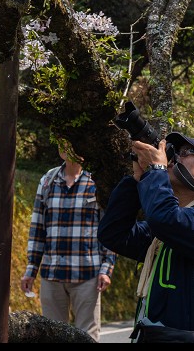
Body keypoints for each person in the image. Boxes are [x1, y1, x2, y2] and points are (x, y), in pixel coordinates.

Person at [98, 132, 194, 342]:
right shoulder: (177, 222)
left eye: (187, 153)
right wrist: (136, 181)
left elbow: (165, 219)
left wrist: (156, 170)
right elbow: (114, 234)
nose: (175, 157)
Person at [19, 145, 117, 341]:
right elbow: (38, 227)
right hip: (52, 273)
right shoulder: (48, 180)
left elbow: (109, 228)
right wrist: (31, 268)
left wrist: (106, 268)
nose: (67, 148)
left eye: (72, 142)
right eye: (62, 143)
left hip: (87, 274)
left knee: (87, 336)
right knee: (52, 337)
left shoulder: (96, 181)